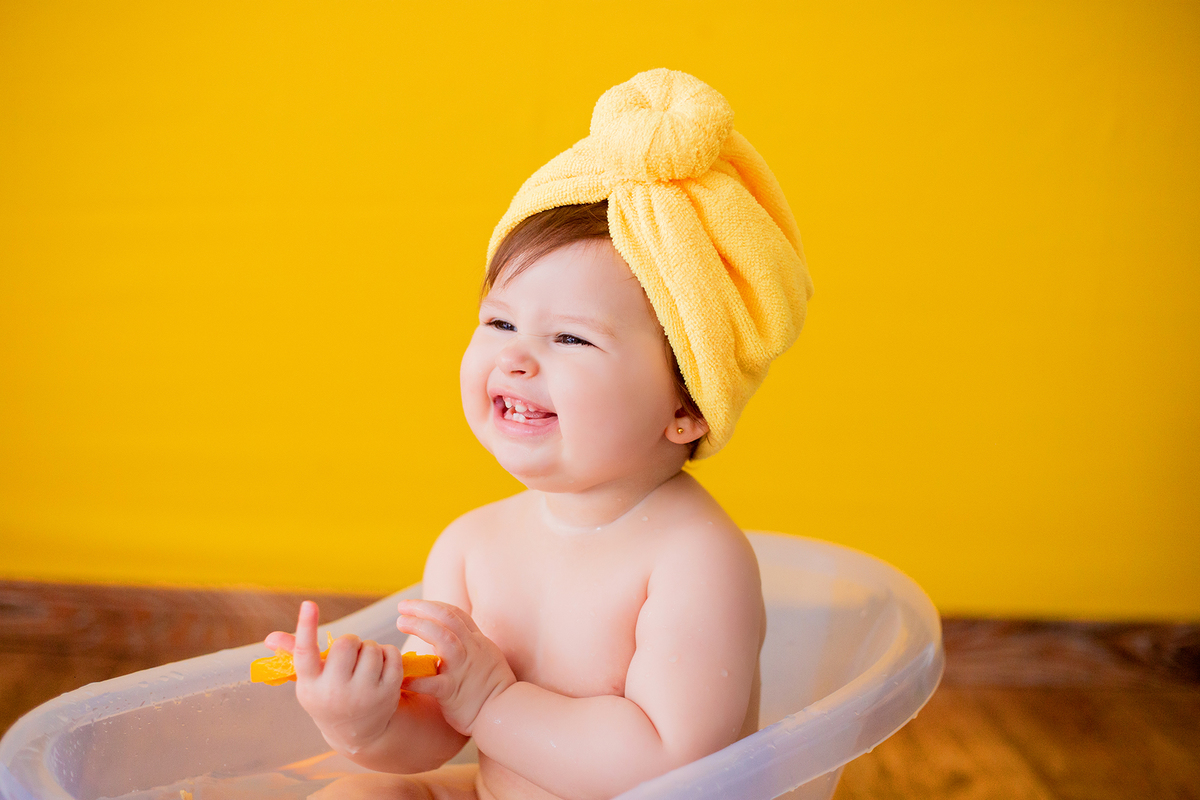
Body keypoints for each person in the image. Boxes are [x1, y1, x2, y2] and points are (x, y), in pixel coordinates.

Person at [264, 67, 813, 800]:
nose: (516, 357)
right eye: (499, 322)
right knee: (355, 795)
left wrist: (492, 699)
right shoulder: (472, 546)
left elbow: (670, 761)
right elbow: (441, 729)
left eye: (572, 340)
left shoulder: (695, 560)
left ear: (686, 407)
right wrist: (364, 718)